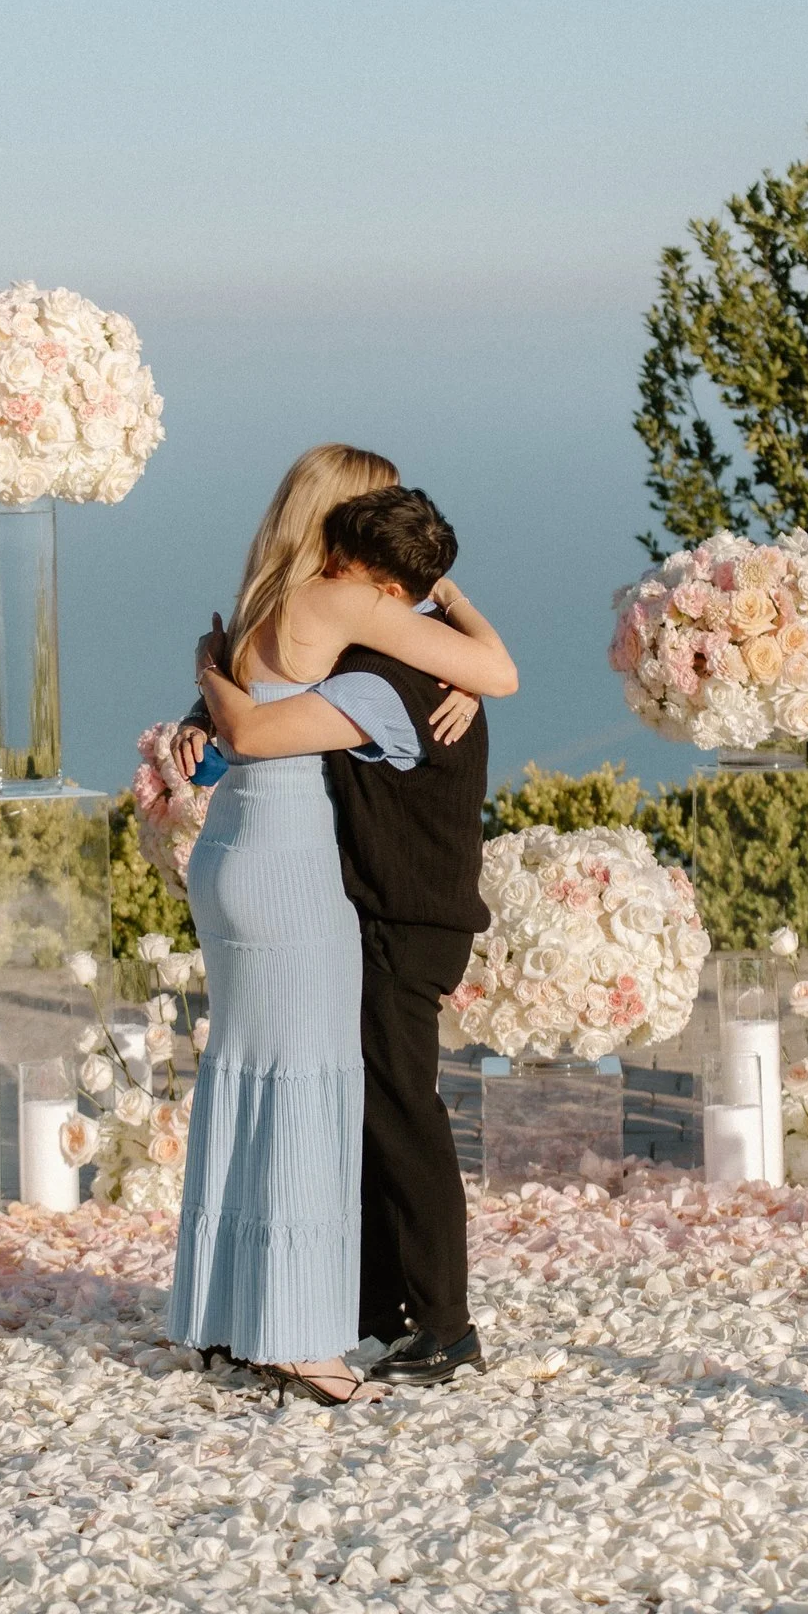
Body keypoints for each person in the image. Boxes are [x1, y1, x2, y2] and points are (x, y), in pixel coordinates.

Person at [164, 446, 516, 1405]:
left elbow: (229, 729)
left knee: (255, 1083)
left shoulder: (262, 610)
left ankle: (251, 1314)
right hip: (303, 877)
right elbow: (498, 668)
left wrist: (205, 668)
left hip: (238, 861)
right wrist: (453, 617)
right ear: (358, 524)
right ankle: (355, 1331)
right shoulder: (356, 611)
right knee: (322, 1099)